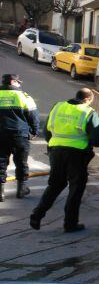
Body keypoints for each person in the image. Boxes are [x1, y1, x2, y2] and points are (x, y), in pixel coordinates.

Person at [30, 88, 99, 232]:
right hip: (77, 154)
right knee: (76, 188)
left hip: (56, 152)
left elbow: (46, 132)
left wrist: (54, 145)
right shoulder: (88, 112)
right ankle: (70, 223)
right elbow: (96, 139)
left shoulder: (58, 106)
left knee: (55, 185)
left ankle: (37, 215)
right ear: (88, 99)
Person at [0, 74, 39, 202]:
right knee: (21, 162)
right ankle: (21, 190)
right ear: (13, 82)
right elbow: (33, 117)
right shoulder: (24, 96)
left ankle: (0, 193)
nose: (20, 85)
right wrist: (33, 132)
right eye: (18, 82)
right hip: (20, 135)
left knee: (1, 162)